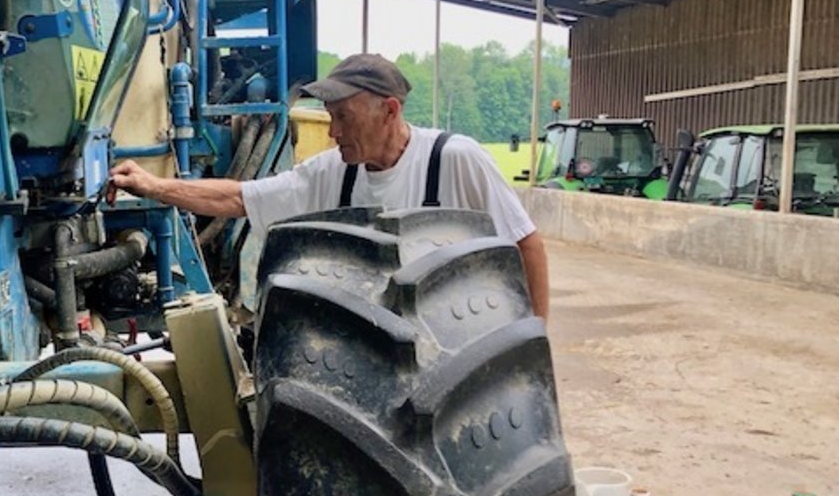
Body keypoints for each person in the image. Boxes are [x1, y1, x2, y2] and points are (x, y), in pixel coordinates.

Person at [107, 53, 550, 319]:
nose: (334, 132)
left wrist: (533, 336)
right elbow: (238, 198)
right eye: (331, 117)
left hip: (452, 325)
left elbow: (526, 245)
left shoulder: (454, 160)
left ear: (389, 111)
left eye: (344, 118)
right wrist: (153, 185)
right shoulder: (332, 171)